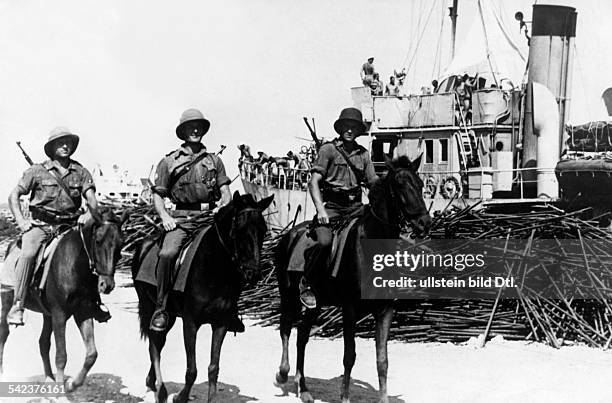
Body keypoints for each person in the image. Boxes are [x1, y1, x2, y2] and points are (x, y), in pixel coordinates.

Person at [149, 108, 243, 332]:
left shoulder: (214, 161)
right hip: (181, 219)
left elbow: (225, 190)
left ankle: (231, 307)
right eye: (190, 127)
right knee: (167, 253)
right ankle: (161, 307)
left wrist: (223, 204)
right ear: (182, 132)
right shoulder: (169, 161)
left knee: (233, 252)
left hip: (209, 218)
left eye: (198, 127)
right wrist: (165, 217)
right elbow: (158, 195)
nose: (195, 130)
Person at [7, 127, 111, 326]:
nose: (66, 146)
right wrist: (21, 221)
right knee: (28, 254)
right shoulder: (36, 171)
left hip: (70, 226)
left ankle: (94, 302)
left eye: (69, 143)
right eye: (61, 142)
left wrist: (89, 214)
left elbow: (92, 200)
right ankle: (18, 304)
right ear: (52, 147)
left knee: (91, 254)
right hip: (42, 225)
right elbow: (14, 196)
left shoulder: (80, 171)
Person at [300, 107, 378, 309]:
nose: (350, 130)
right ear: (340, 127)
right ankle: (307, 283)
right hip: (333, 208)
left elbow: (373, 183)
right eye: (346, 126)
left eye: (354, 127)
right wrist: (321, 210)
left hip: (356, 208)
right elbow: (313, 182)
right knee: (324, 242)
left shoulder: (363, 154)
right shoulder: (328, 150)